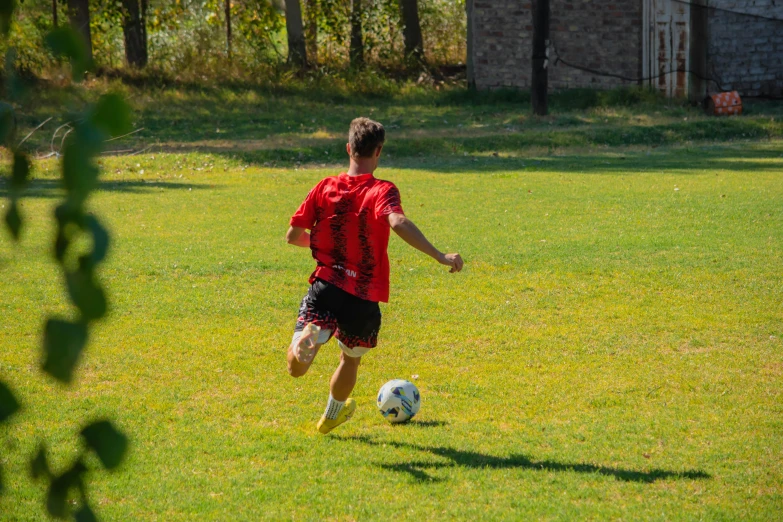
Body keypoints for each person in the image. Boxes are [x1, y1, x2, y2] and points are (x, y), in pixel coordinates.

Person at [285, 117, 464, 434]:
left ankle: (307, 341)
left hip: (327, 286)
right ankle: (331, 414)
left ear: (348, 148)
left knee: (296, 370)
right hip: (363, 297)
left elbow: (293, 235)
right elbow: (397, 221)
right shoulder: (383, 190)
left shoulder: (325, 187)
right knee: (349, 360)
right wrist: (439, 255)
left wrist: (325, 246)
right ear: (378, 151)